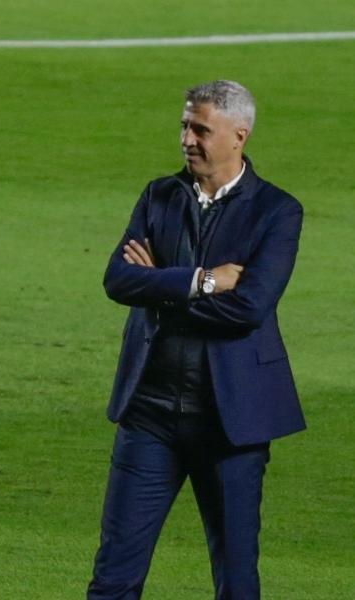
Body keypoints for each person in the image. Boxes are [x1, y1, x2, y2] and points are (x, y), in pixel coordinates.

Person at [86, 80, 306, 600]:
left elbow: (249, 308)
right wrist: (200, 282)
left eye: (200, 128)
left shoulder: (277, 211)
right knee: (113, 578)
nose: (187, 138)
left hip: (230, 425)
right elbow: (118, 280)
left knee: (236, 580)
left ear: (239, 135)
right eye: (185, 125)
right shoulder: (159, 195)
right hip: (150, 416)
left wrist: (159, 293)